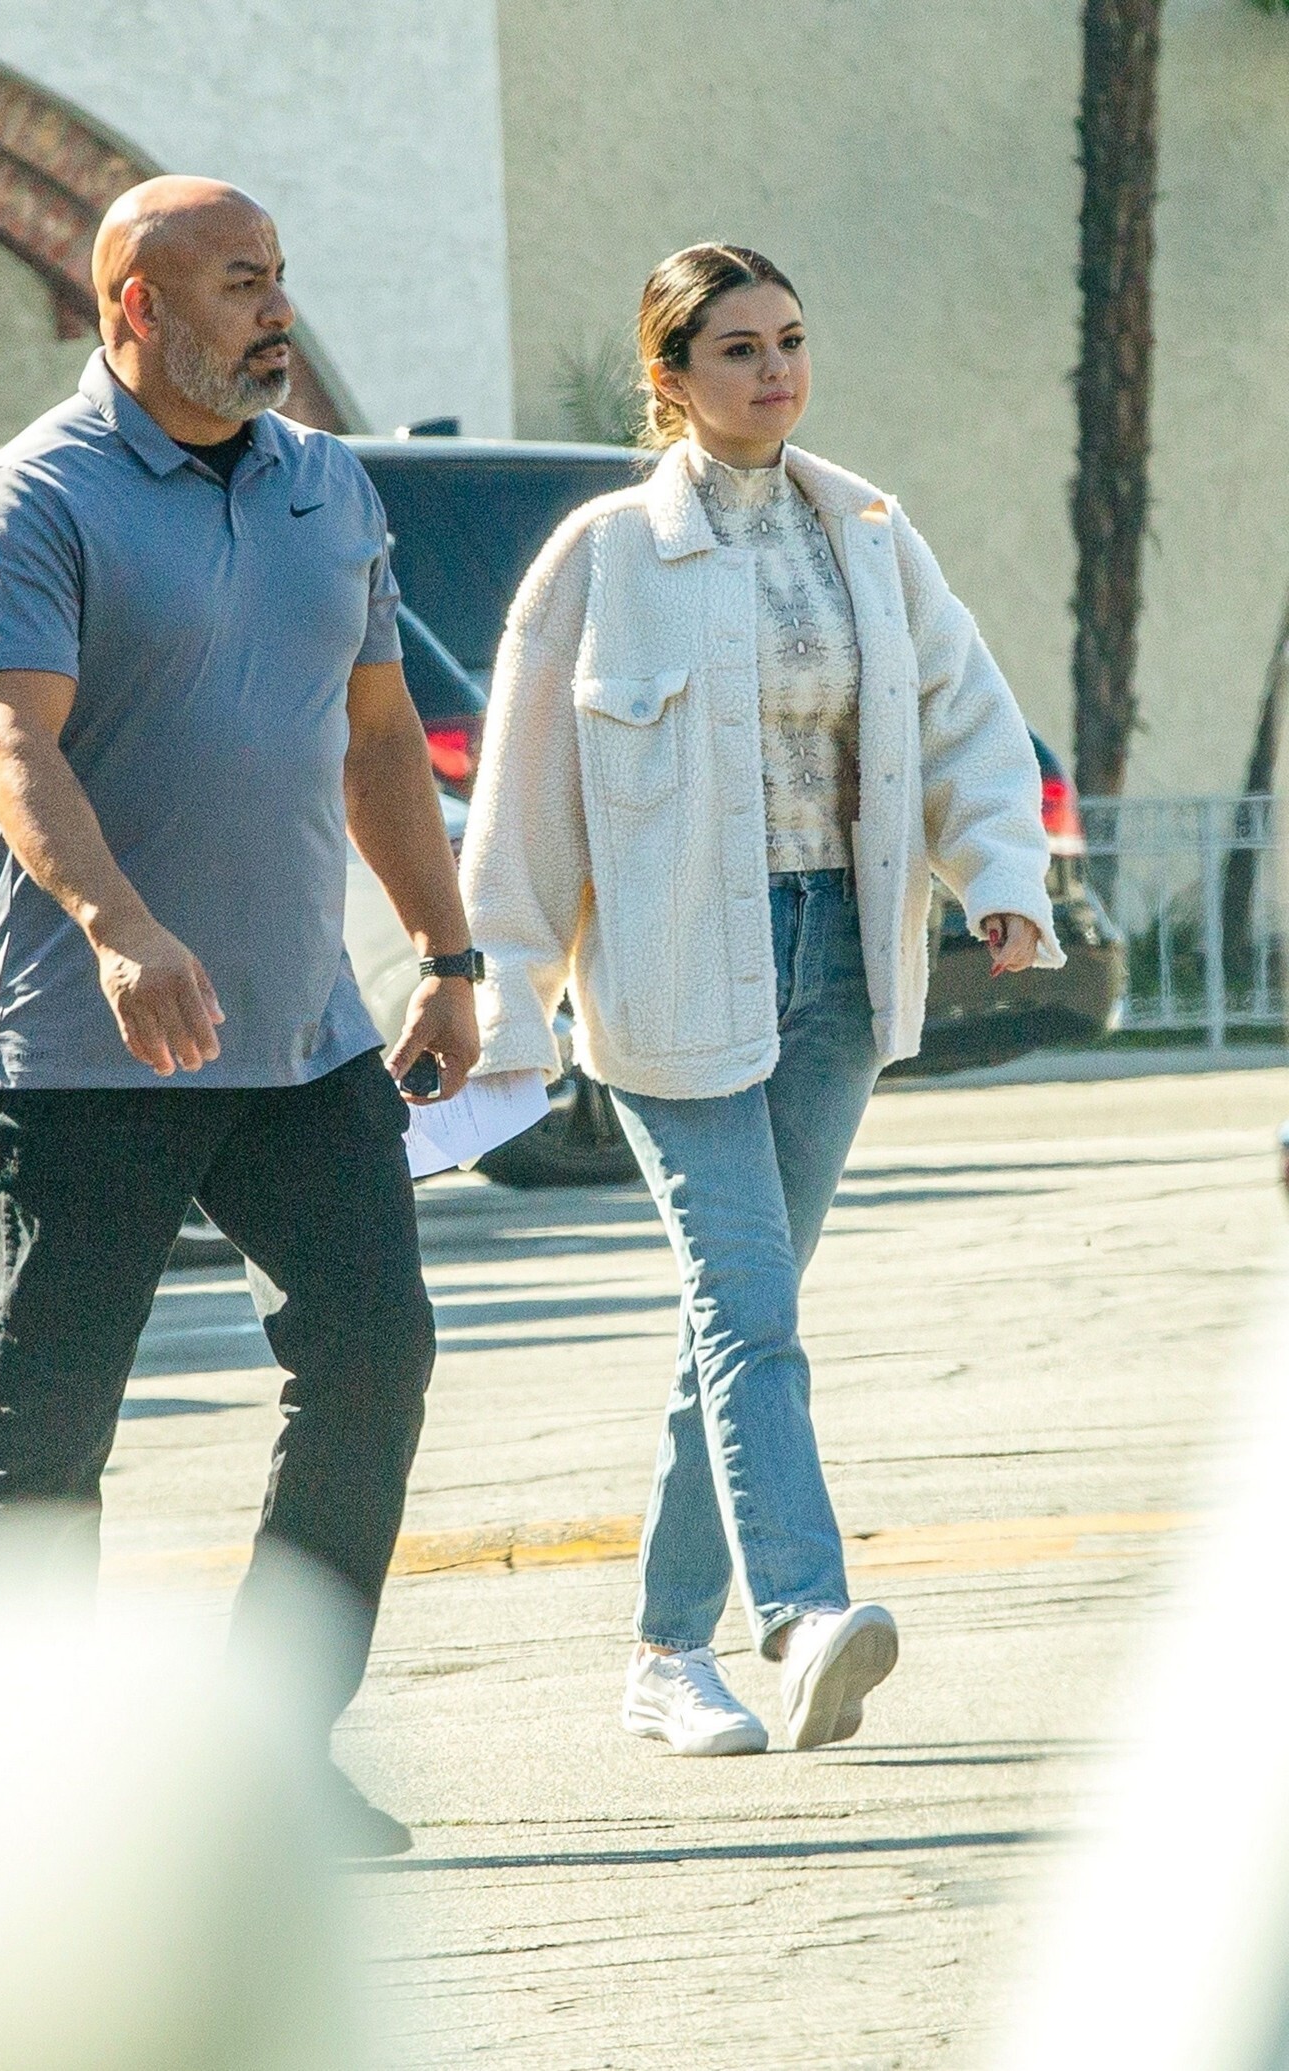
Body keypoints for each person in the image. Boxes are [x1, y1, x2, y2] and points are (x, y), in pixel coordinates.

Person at [0, 176, 481, 1855]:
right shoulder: (31, 499)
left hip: (303, 1043)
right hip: (84, 1052)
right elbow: (8, 740)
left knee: (374, 1360)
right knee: (50, 1428)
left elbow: (378, 739)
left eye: (279, 277)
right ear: (137, 308)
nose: (277, 311)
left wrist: (447, 956)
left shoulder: (328, 484)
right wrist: (121, 929)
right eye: (242, 283)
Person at [460, 243, 1061, 1756]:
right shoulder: (604, 557)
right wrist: (508, 1000)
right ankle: (800, 1616)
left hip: (840, 966)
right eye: (737, 349)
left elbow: (962, 716)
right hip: (673, 976)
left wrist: (998, 873)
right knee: (746, 1307)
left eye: (789, 340)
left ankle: (666, 1655)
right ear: (668, 378)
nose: (776, 370)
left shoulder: (866, 530)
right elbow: (525, 804)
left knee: (740, 1319)